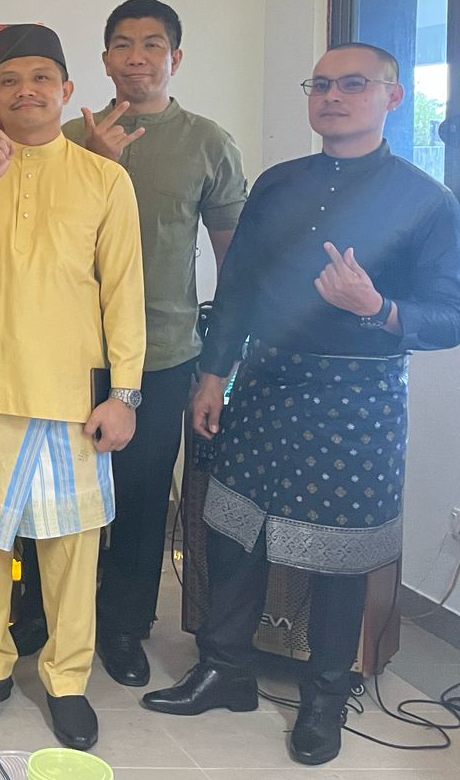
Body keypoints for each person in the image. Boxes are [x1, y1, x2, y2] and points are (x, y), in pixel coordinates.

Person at [143, 43, 460, 766]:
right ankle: (225, 669)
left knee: (338, 555)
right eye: (320, 85)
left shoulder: (427, 200)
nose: (333, 97)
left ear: (393, 96)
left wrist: (377, 307)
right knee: (235, 530)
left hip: (358, 395)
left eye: (353, 84)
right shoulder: (279, 183)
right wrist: (213, 374)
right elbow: (240, 288)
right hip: (264, 380)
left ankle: (325, 695)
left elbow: (450, 314)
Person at [0, 24, 144, 751]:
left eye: (41, 77)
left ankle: (67, 681)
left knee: (72, 546)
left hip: (73, 397)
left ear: (66, 90)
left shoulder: (104, 179)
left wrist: (125, 394)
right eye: (10, 80)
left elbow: (124, 294)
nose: (26, 91)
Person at [59, 0, 247, 687]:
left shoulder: (207, 142)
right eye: (123, 44)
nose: (136, 57)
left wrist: (217, 366)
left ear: (176, 57)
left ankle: (123, 623)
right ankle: (51, 612)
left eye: (152, 44)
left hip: (163, 352)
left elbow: (235, 263)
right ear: (105, 58)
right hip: (66, 348)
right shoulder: (69, 139)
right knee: (59, 491)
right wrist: (89, 163)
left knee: (140, 498)